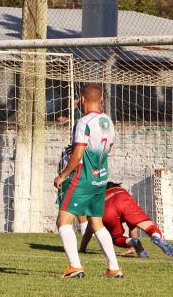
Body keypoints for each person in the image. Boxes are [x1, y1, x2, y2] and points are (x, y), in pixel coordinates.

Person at [53, 83, 121, 279]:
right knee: (96, 223)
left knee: (63, 222)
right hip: (100, 178)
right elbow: (109, 148)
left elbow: (78, 154)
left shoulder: (83, 123)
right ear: (100, 99)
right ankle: (114, 268)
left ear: (82, 99)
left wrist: (63, 175)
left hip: (82, 178)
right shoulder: (107, 120)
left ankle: (75, 266)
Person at [78, 182, 173, 258]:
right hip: (123, 198)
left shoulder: (98, 198)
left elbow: (89, 230)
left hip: (106, 207)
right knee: (149, 226)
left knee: (115, 238)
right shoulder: (121, 190)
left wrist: (82, 249)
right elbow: (133, 226)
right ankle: (156, 236)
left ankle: (132, 242)